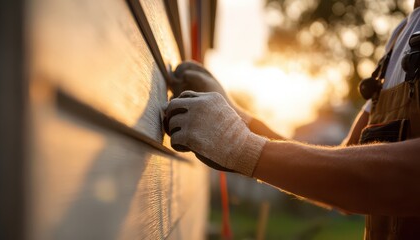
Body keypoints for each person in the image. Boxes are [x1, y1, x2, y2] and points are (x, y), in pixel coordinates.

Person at [164, 1, 420, 239]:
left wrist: (242, 147)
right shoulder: (402, 35)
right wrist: (242, 121)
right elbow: (340, 176)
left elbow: (410, 175)